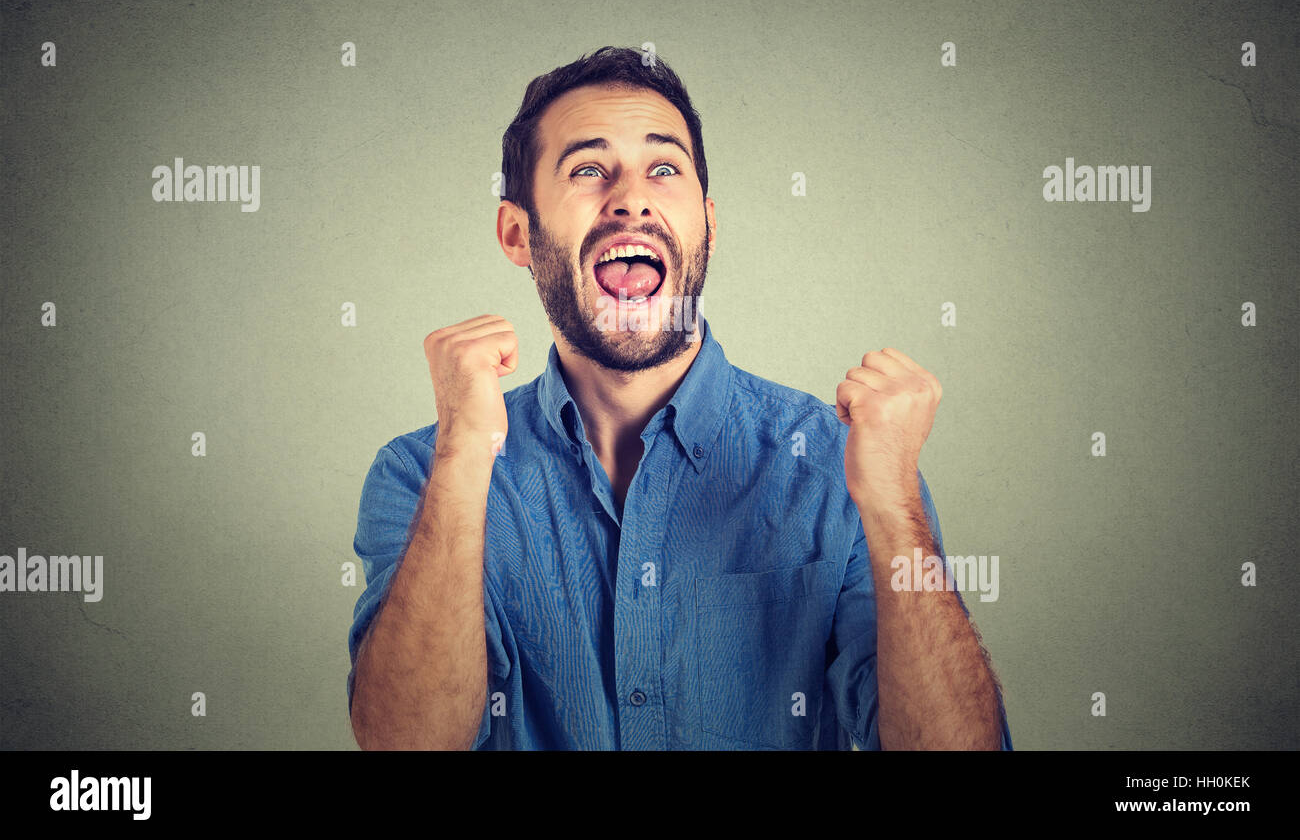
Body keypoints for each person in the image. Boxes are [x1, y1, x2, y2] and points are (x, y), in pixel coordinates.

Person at [347, 46, 1012, 750]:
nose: (631, 196)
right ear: (518, 233)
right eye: (588, 169)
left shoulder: (840, 464)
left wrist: (892, 506)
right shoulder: (421, 474)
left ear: (708, 224)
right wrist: (461, 455)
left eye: (664, 168)